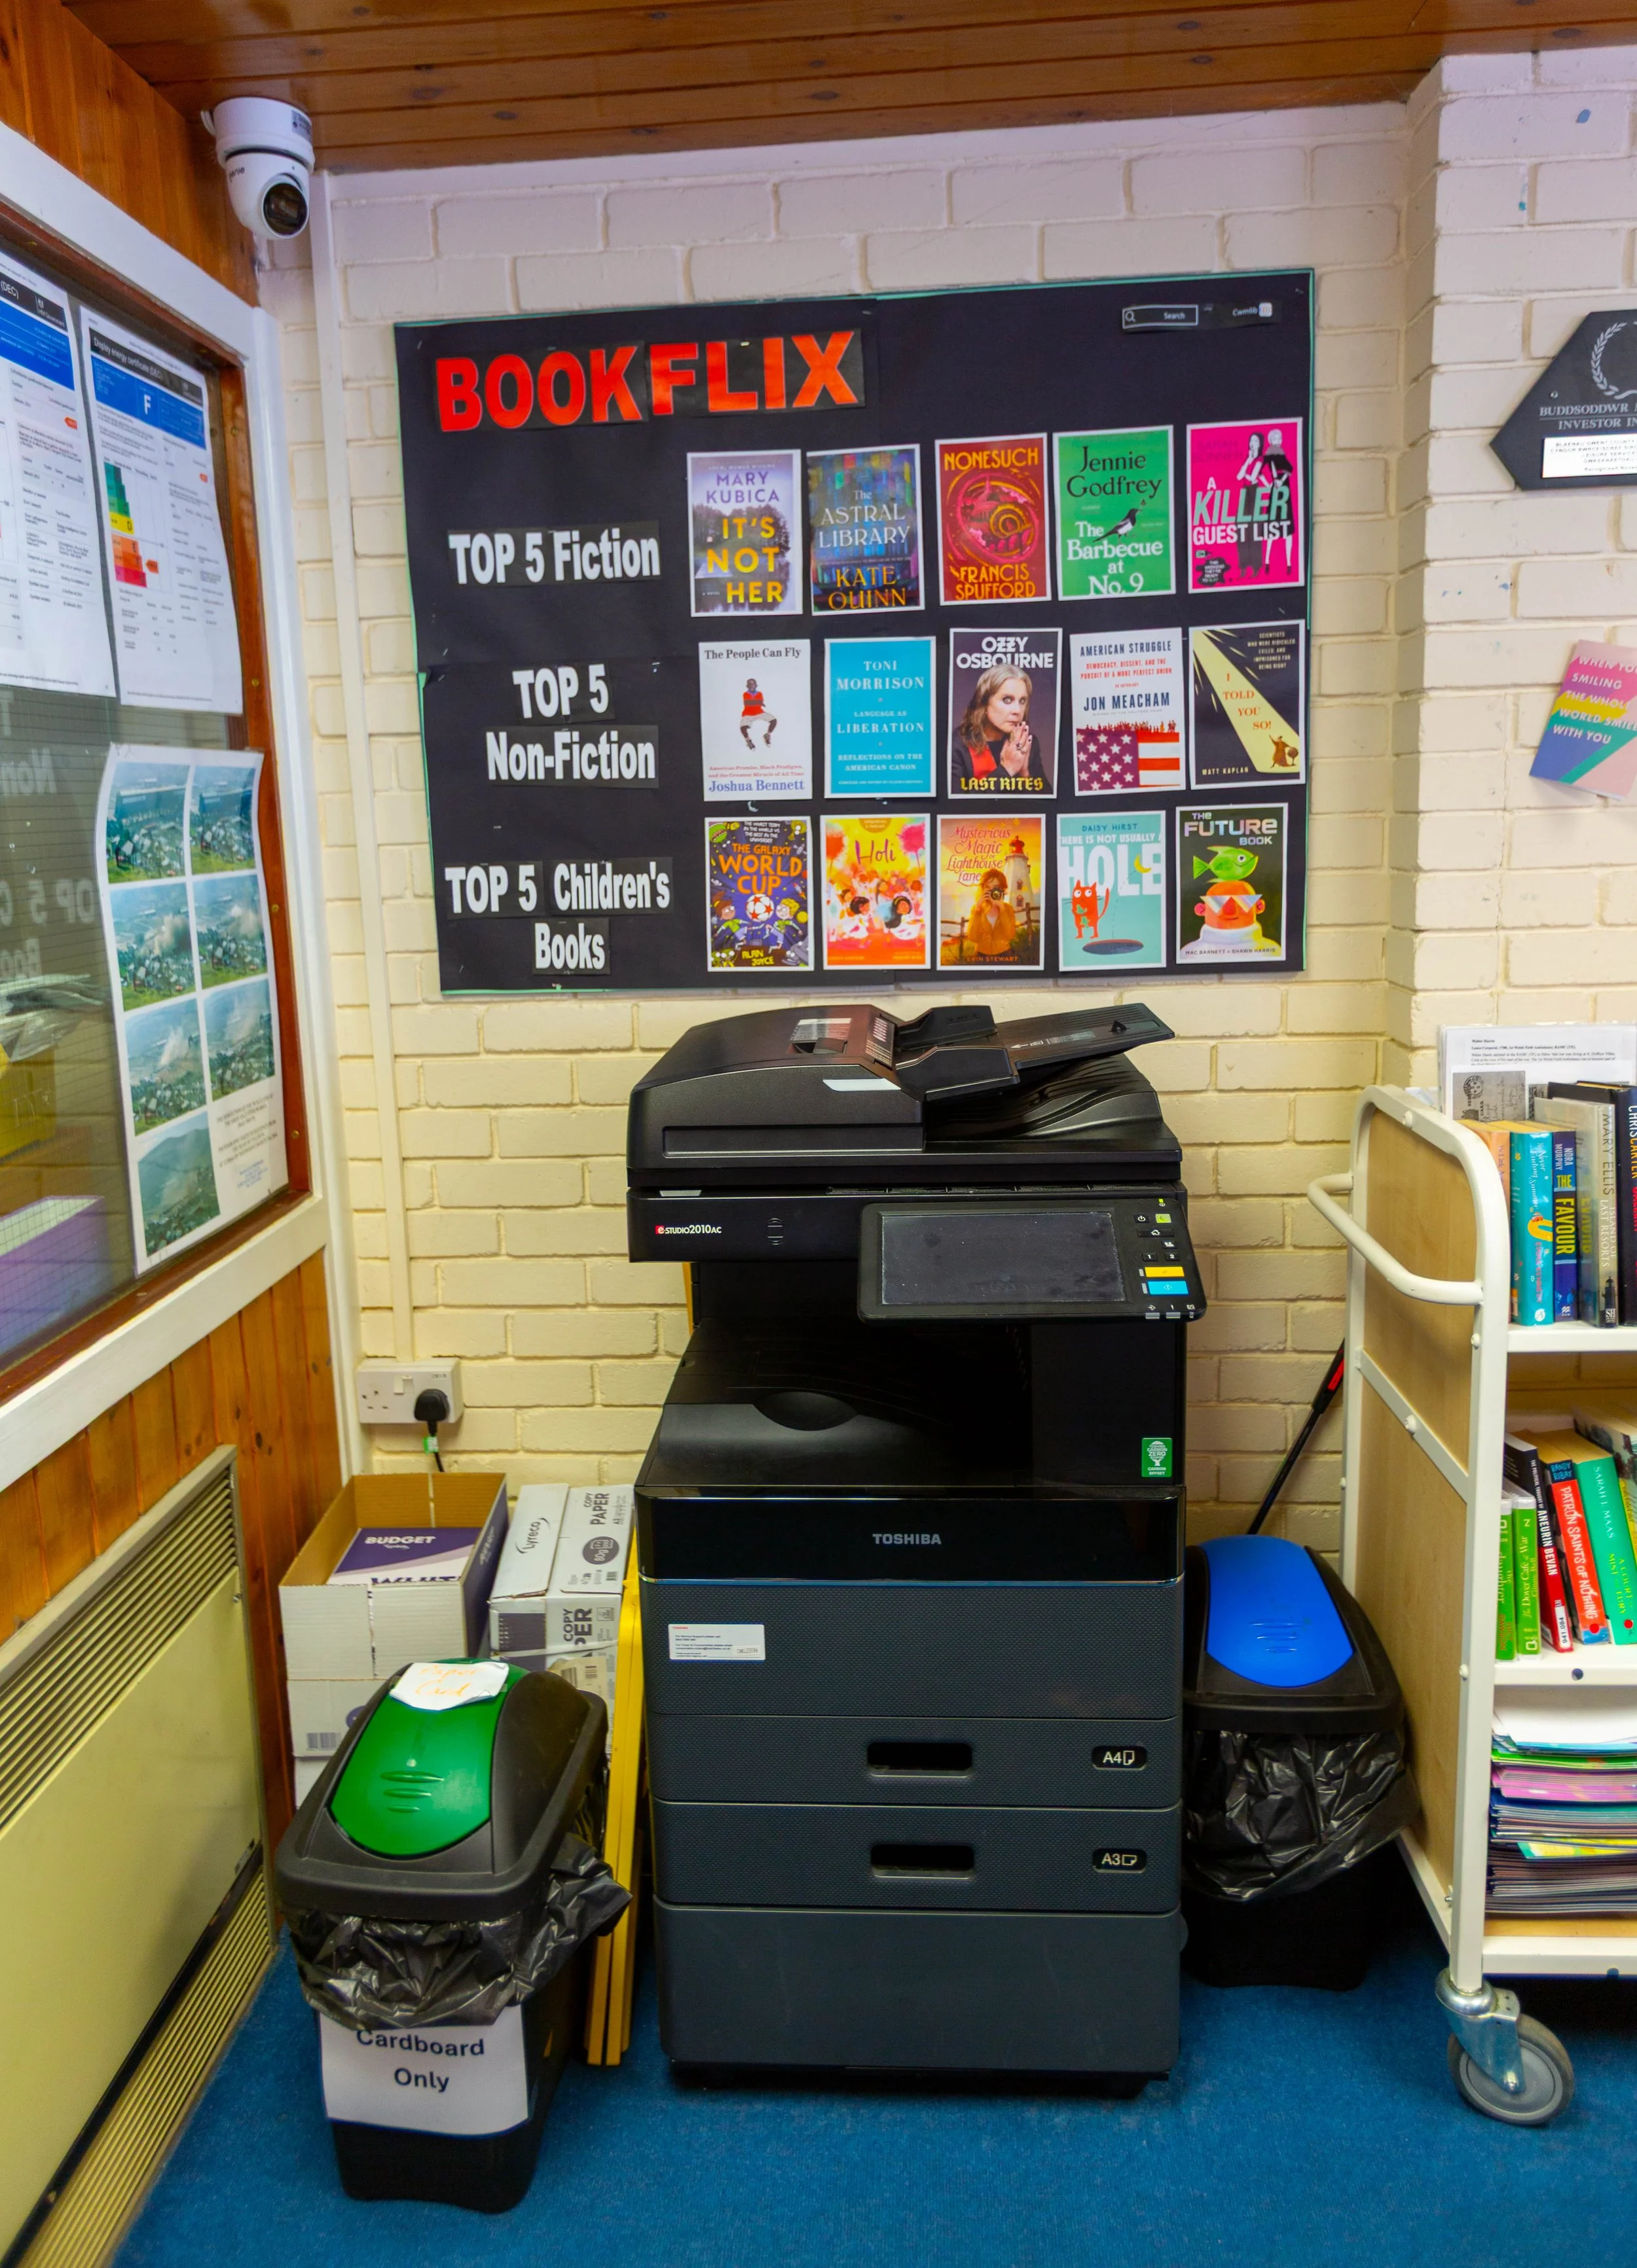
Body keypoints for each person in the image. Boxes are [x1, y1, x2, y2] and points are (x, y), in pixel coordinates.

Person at [951, 667, 1046, 792]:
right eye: (1007, 700)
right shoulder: (958, 744)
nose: (1017, 711)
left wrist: (1025, 775)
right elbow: (957, 808)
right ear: (984, 703)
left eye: (1022, 701)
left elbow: (1048, 805)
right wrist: (1007, 770)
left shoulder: (1026, 742)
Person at [739, 678, 776, 749]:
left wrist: (756, 703)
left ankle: (767, 735)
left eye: (753, 684)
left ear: (756, 685)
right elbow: (747, 703)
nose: (752, 685)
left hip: (759, 712)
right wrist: (758, 703)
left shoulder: (759, 694)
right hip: (748, 714)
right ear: (747, 686)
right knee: (743, 727)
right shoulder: (745, 694)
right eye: (750, 684)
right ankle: (748, 741)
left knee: (774, 720)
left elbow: (757, 704)